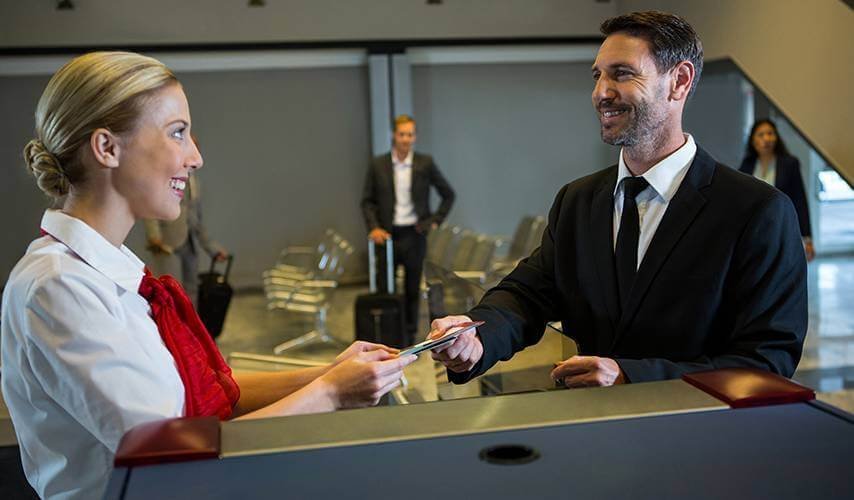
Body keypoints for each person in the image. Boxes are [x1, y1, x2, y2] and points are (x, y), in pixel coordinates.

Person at [0, 51, 416, 500]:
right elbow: (172, 456)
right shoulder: (58, 286)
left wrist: (326, 373)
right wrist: (330, 394)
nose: (195, 157)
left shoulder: (106, 271)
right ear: (107, 148)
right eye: (177, 132)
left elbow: (201, 392)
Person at [428, 11, 807, 388]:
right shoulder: (577, 201)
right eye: (597, 76)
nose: (601, 93)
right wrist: (476, 336)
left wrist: (630, 376)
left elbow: (767, 360)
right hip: (590, 421)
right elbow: (527, 294)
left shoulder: (757, 211)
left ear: (679, 81)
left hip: (695, 423)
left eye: (622, 74)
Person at [361, 115, 455, 342]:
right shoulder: (378, 164)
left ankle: (409, 335)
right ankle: (387, 334)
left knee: (413, 289)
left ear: (415, 137)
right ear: (394, 135)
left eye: (410, 134)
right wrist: (374, 227)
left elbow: (448, 194)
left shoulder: (425, 163)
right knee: (385, 287)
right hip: (388, 236)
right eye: (402, 134)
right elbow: (367, 201)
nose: (406, 139)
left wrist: (434, 220)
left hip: (415, 235)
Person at [144, 134, 228, 304]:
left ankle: (190, 321)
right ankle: (170, 322)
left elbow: (197, 219)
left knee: (192, 289)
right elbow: (152, 207)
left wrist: (212, 249)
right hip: (168, 244)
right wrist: (154, 236)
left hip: (190, 243)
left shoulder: (195, 182)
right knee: (169, 291)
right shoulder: (164, 176)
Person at [739, 119, 814, 261]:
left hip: (782, 228)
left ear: (776, 137)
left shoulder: (789, 164)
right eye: (761, 135)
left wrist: (807, 238)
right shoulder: (747, 165)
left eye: (770, 133)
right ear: (753, 140)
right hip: (755, 232)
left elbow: (800, 200)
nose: (766, 139)